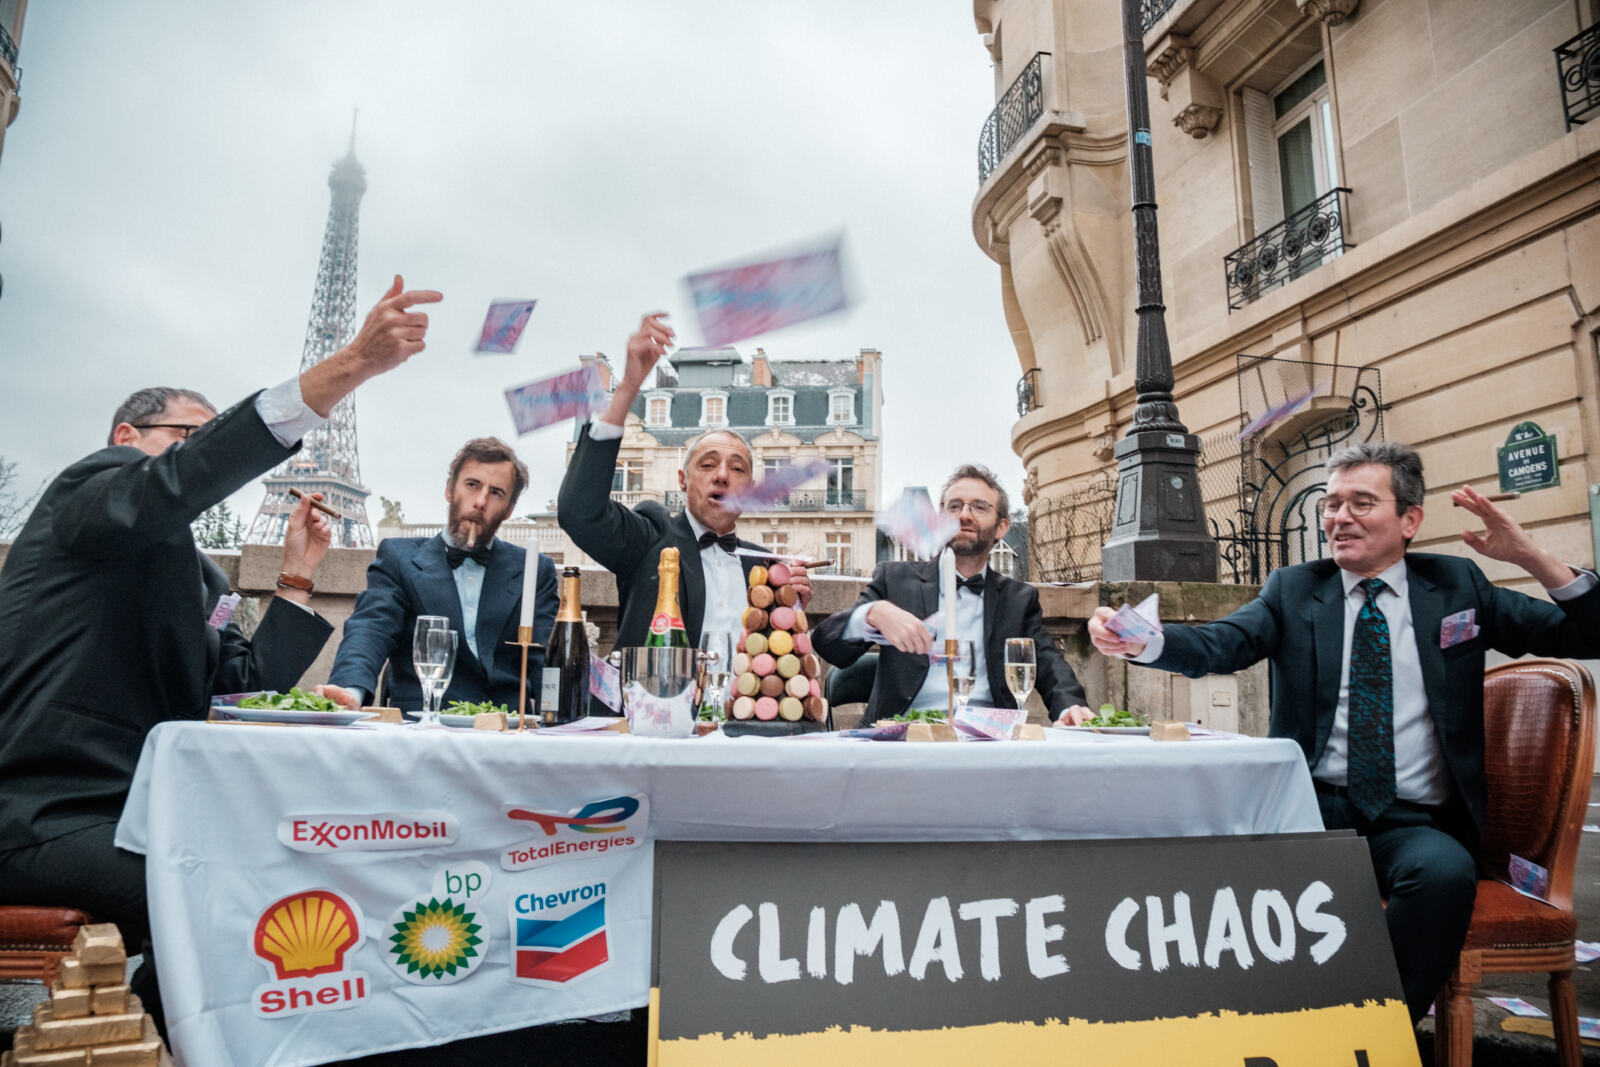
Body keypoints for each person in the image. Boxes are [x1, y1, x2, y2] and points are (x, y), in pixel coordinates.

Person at [0, 274, 442, 1028]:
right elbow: (181, 480)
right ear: (126, 439)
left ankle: (158, 1033)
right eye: (189, 435)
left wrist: (296, 577)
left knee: (276, 864)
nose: (203, 452)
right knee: (230, 884)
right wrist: (350, 367)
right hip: (44, 813)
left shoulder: (202, 575)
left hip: (135, 812)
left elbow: (241, 683)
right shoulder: (90, 487)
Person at [1085, 441, 1600, 1024]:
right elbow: (1222, 642)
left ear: (1410, 520)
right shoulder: (1294, 588)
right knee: (1200, 861)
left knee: (1443, 876)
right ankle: (1237, 1028)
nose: (1339, 517)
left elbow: (1587, 633)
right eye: (1331, 504)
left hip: (1415, 823)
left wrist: (1531, 557)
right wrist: (1145, 640)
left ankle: (1374, 1034)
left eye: (1361, 502)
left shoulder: (1458, 587)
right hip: (1307, 812)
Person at [557, 313, 811, 649]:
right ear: (682, 480)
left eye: (737, 469)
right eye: (708, 465)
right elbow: (578, 512)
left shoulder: (767, 567)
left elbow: (776, 665)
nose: (722, 475)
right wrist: (629, 386)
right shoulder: (648, 539)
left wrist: (792, 609)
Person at [812, 464, 1089, 725]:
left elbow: (1049, 664)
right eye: (954, 506)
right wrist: (872, 614)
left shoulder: (1018, 599)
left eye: (979, 507)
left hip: (987, 740)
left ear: (1002, 527)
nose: (964, 515)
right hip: (903, 739)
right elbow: (828, 645)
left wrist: (1070, 708)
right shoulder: (895, 580)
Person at [317, 437, 558, 712]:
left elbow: (547, 662)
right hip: (421, 725)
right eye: (472, 485)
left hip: (504, 728)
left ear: (509, 510)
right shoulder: (399, 558)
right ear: (449, 490)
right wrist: (350, 691)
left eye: (496, 493)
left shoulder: (534, 570)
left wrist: (567, 720)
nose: (480, 501)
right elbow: (371, 628)